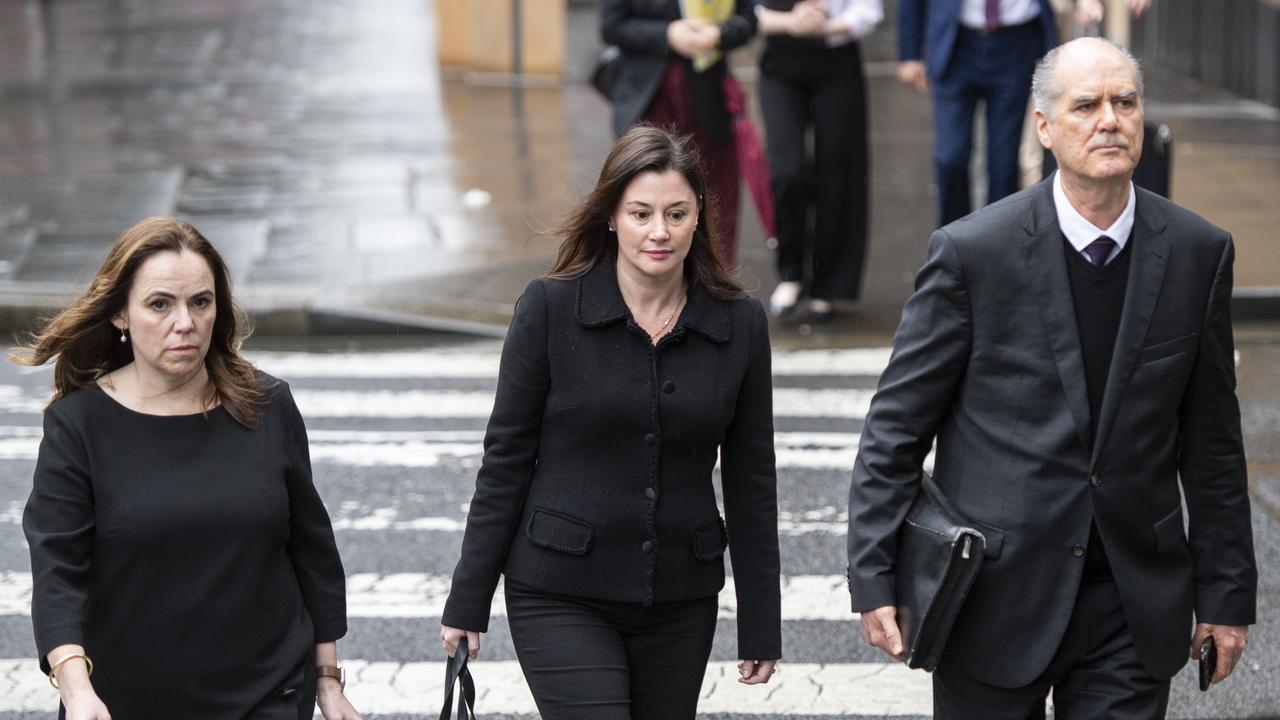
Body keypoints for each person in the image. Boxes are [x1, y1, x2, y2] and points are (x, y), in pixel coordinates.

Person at [847, 38, 1256, 718]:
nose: (1110, 120)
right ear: (1043, 125)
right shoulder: (972, 254)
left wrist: (1226, 596)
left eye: (1125, 102)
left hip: (1132, 601)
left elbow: (1212, 443)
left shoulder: (1197, 252)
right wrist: (873, 574)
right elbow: (895, 428)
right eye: (1087, 105)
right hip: (991, 594)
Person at [440, 126, 781, 720]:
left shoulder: (740, 324)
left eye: (676, 213)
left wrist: (761, 623)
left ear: (699, 215)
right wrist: (468, 600)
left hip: (680, 595)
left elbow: (753, 482)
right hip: (559, 588)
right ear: (611, 218)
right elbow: (506, 460)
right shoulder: (549, 307)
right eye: (641, 213)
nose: (659, 231)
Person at [16, 217, 361, 720]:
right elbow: (58, 571)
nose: (186, 322)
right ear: (120, 314)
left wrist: (327, 682)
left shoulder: (266, 405)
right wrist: (75, 687)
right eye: (160, 304)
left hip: (268, 693)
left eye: (201, 301)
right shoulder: (78, 424)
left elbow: (312, 551)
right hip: (127, 700)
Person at [602, 0, 757, 264]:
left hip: (707, 101)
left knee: (714, 203)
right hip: (648, 101)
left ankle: (711, 291)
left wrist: (719, 35)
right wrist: (667, 34)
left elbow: (748, 21)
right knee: (642, 197)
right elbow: (612, 27)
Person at [755, 0, 883, 319]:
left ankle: (829, 285)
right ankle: (791, 273)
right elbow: (742, 12)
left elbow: (869, 13)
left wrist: (825, 26)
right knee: (787, 170)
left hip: (836, 60)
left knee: (839, 171)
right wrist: (790, 21)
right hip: (780, 62)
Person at [897, 0, 1058, 226]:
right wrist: (910, 52)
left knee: (1004, 163)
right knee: (950, 158)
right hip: (955, 44)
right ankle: (954, 243)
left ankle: (998, 244)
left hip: (1017, 43)